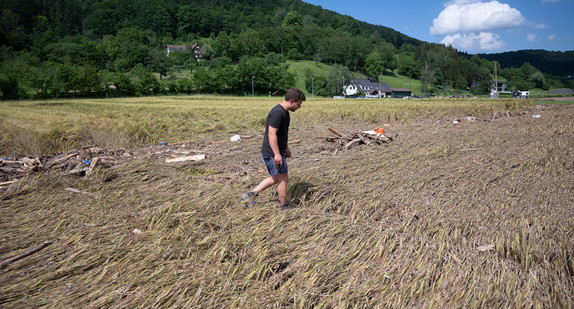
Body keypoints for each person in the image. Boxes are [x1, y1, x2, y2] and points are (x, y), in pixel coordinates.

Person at [241, 87, 306, 210]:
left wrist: (285, 147)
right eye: (298, 104)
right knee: (283, 178)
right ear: (291, 101)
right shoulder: (278, 112)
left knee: (276, 178)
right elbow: (272, 134)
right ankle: (283, 205)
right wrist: (277, 154)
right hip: (272, 152)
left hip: (277, 151)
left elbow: (282, 134)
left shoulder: (285, 113)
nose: (299, 107)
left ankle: (250, 195)